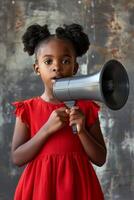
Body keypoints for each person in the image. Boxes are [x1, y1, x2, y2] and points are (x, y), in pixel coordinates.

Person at [11, 23, 107, 200]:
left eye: (65, 61)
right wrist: (46, 129)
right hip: (40, 188)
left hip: (78, 187)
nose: (57, 67)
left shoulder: (86, 108)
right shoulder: (28, 109)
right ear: (37, 68)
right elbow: (17, 158)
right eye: (48, 61)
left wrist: (82, 131)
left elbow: (100, 159)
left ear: (75, 68)